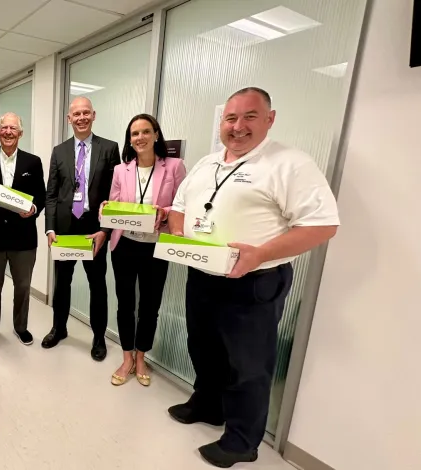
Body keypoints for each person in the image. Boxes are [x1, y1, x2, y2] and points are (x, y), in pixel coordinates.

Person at [166, 87, 339, 468]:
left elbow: (323, 225)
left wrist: (261, 253)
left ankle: (243, 439)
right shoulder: (207, 163)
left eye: (250, 117)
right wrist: (177, 231)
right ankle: (209, 405)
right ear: (221, 122)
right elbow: (179, 206)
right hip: (203, 273)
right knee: (204, 347)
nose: (238, 126)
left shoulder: (289, 163)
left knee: (248, 363)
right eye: (230, 118)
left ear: (270, 119)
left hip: (253, 281)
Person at [100, 114, 186, 386]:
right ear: (130, 139)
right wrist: (106, 208)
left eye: (146, 131)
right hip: (124, 245)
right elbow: (114, 206)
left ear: (156, 135)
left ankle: (141, 357)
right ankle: (127, 357)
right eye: (134, 133)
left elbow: (184, 205)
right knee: (125, 304)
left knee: (150, 306)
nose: (140, 138)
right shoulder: (120, 170)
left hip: (155, 248)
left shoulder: (174, 166)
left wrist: (166, 211)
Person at [42, 96, 121, 361]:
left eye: (86, 113)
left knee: (97, 285)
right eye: (76, 114)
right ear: (69, 118)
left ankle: (99, 337)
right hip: (65, 228)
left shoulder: (109, 148)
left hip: (93, 229)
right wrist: (50, 228)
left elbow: (115, 194)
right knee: (62, 282)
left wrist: (106, 230)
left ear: (94, 115)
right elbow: (51, 193)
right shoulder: (59, 150)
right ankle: (59, 328)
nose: (81, 118)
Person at [0, 112, 45, 347]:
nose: (8, 132)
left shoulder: (33, 162)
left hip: (24, 238)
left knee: (22, 287)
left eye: (13, 128)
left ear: (20, 134)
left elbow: (41, 196)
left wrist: (33, 208)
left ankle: (21, 327)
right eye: (4, 128)